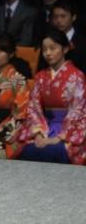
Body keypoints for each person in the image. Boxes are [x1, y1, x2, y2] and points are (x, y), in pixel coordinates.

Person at [17, 29, 86, 165]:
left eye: (53, 48)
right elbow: (33, 108)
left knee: (56, 150)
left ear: (65, 49)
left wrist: (59, 137)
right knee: (29, 149)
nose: (48, 53)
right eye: (44, 50)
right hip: (44, 126)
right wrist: (38, 133)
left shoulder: (77, 77)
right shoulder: (40, 76)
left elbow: (79, 111)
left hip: (69, 129)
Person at [36, 0, 85, 72]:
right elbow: (42, 68)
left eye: (63, 16)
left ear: (73, 17)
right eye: (55, 17)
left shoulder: (83, 41)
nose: (59, 20)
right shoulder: (47, 39)